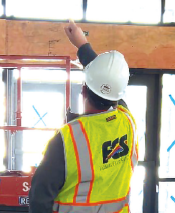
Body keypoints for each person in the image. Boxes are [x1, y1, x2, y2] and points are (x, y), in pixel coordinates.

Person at [29, 20, 138, 213]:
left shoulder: (66, 139)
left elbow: (39, 199)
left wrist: (82, 44)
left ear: (83, 90)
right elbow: (109, 86)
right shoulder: (128, 122)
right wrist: (83, 46)